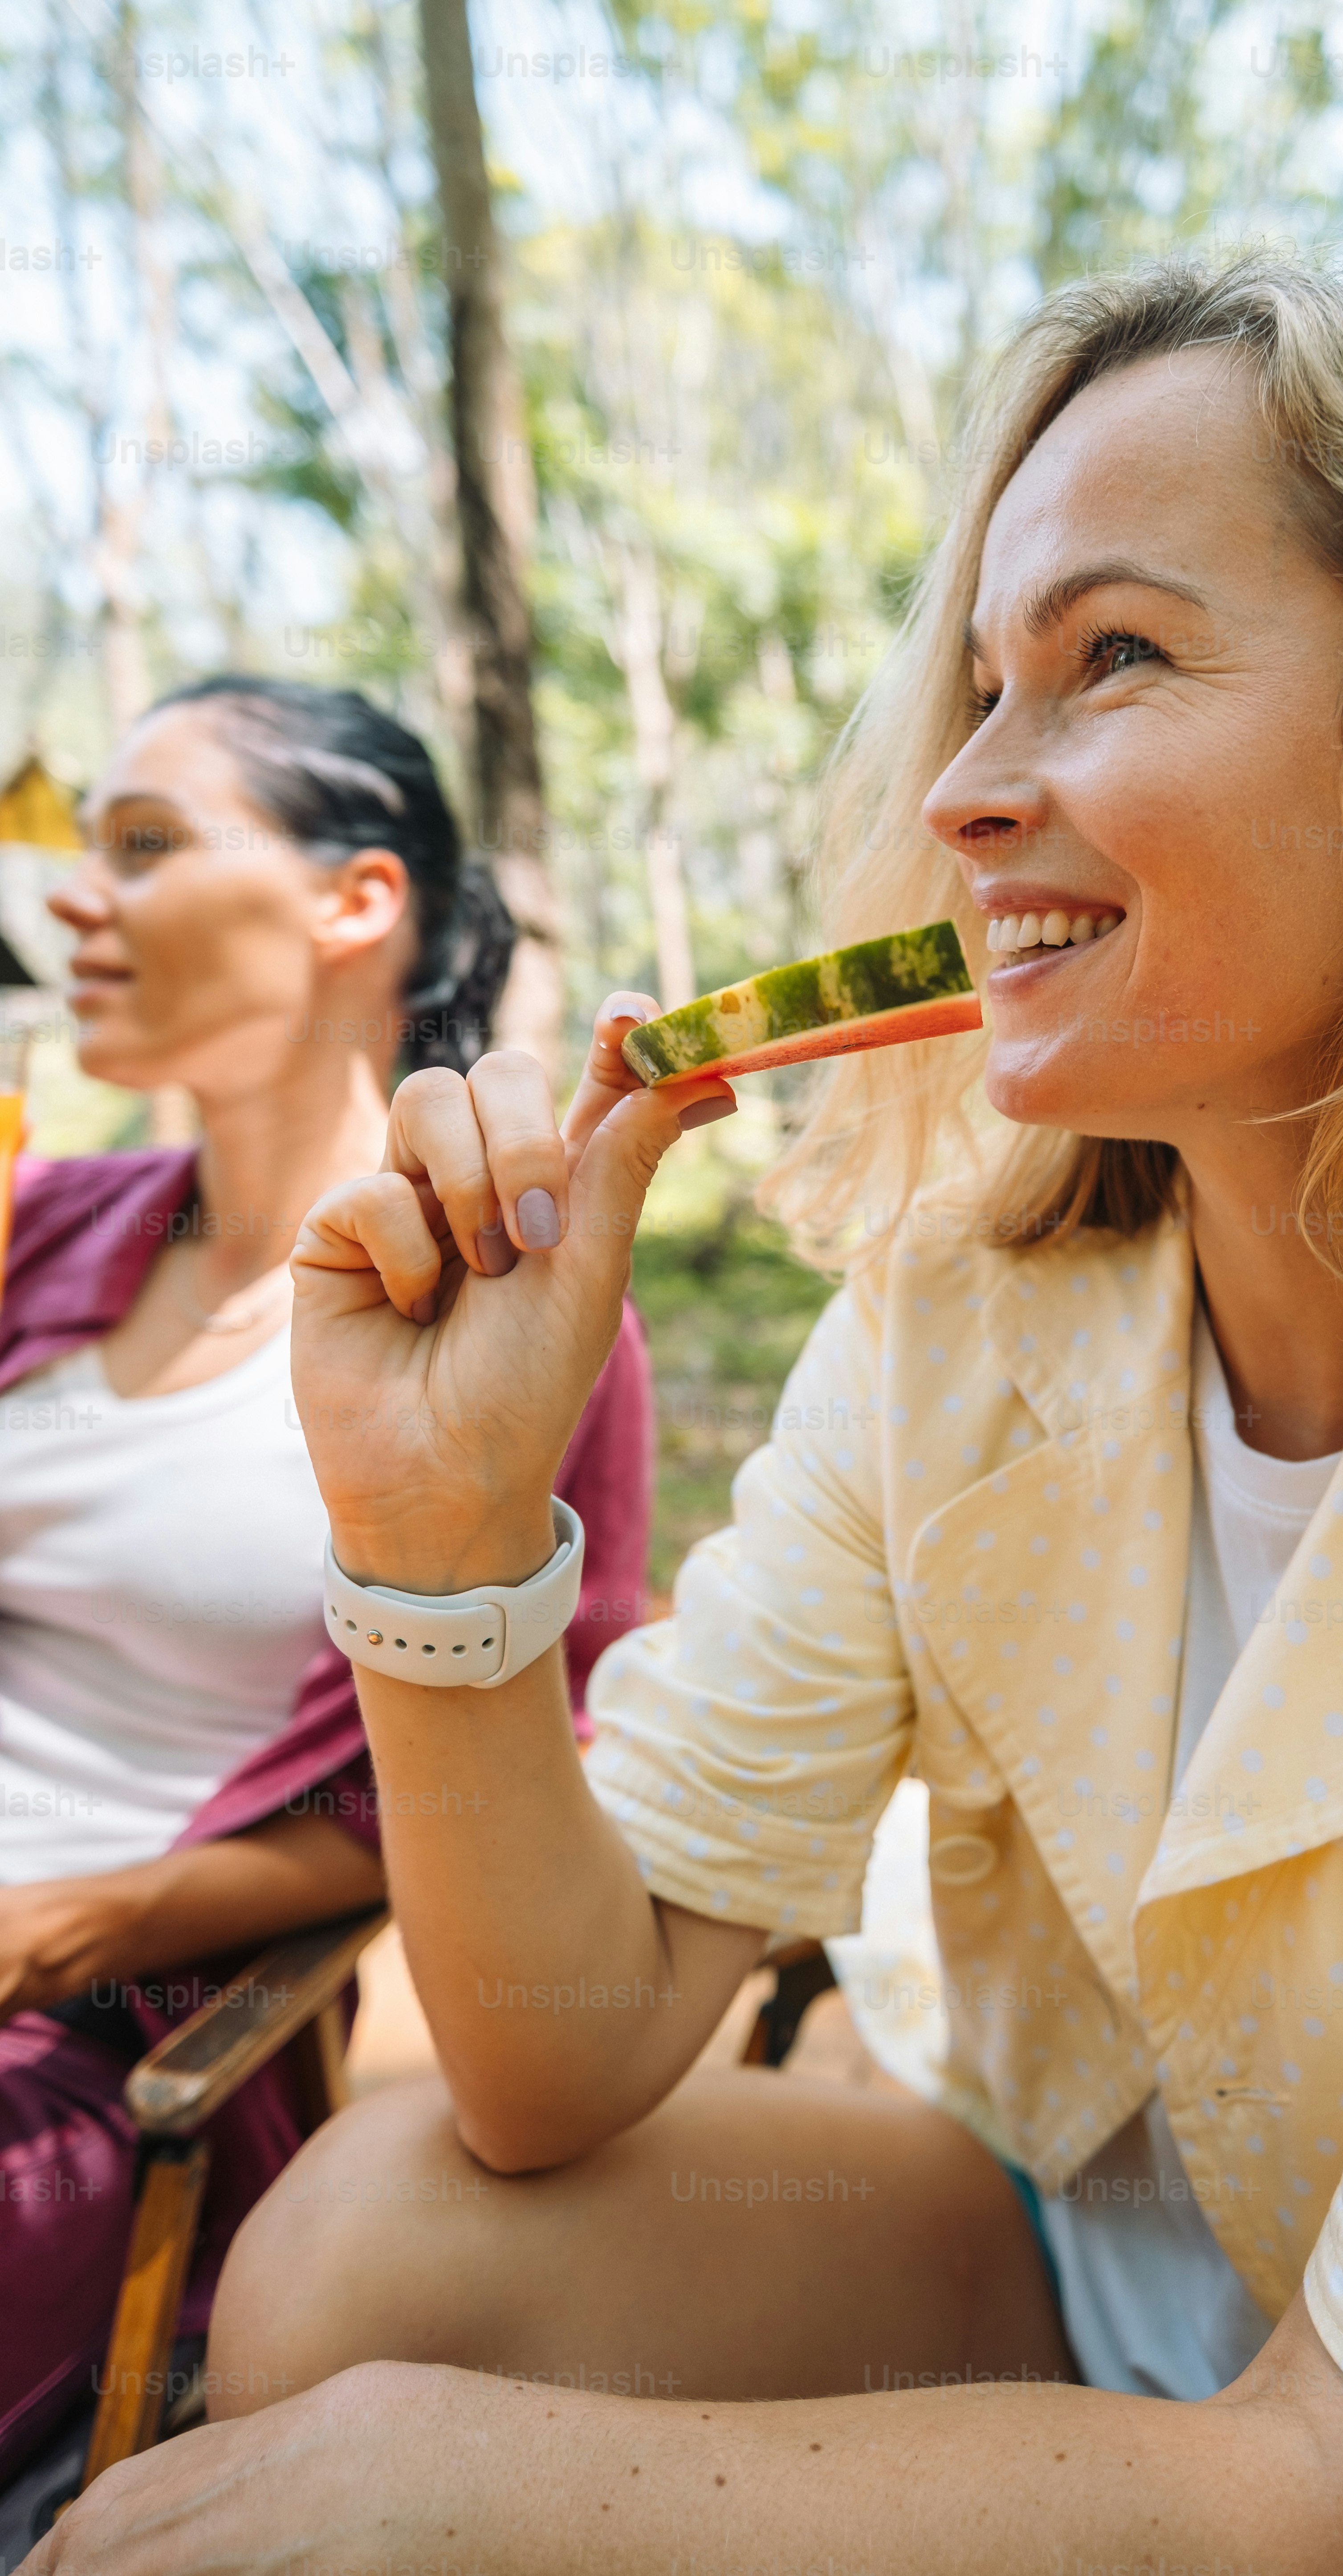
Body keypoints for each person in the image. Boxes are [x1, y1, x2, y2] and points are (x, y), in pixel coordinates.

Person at [34, 257, 1343, 2576]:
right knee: (372, 2243)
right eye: (979, 681)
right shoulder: (958, 1325)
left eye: (1112, 657)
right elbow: (553, 2052)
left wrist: (529, 2492)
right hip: (1047, 2256)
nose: (960, 788)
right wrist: (440, 1529)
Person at [0, 677, 654, 2484]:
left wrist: (58, 1928)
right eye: (80, 849)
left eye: (144, 845)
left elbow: (469, 1788)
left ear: (353, 903)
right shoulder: (41, 1222)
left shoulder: (504, 1321)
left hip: (83, 2038)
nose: (70, 896)